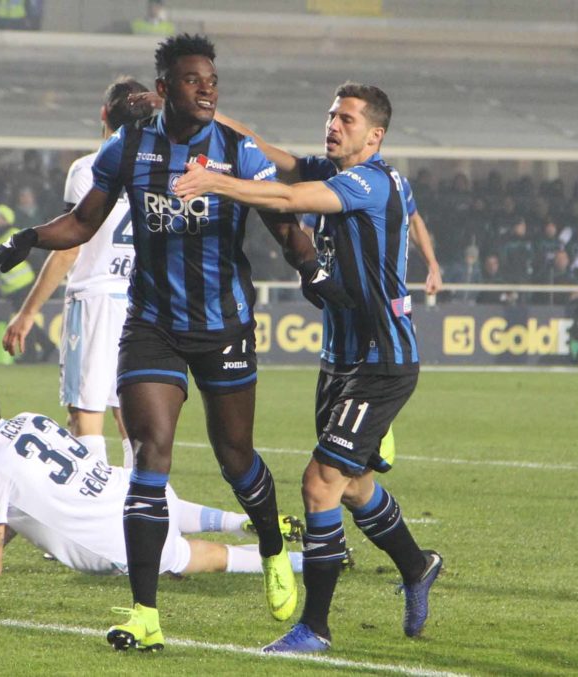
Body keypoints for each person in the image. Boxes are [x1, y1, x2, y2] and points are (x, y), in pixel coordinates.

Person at [0, 34, 352, 652]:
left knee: (236, 458)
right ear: (165, 88)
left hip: (224, 325)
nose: (208, 90)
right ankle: (145, 614)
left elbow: (285, 225)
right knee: (150, 457)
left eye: (212, 80)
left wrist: (312, 271)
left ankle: (272, 548)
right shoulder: (129, 146)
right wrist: (28, 238)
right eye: (194, 80)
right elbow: (83, 222)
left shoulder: (237, 150)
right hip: (151, 325)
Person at [175, 81, 444, 653]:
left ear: (375, 135)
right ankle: (417, 565)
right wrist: (205, 116)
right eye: (331, 115)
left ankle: (315, 628)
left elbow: (287, 198)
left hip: (381, 360)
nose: (333, 125)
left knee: (319, 483)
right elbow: (265, 151)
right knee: (353, 487)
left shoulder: (368, 183)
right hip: (340, 360)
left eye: (346, 119)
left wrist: (214, 181)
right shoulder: (337, 170)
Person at [0, 378, 306, 580]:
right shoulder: (30, 419)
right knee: (165, 510)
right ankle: (241, 521)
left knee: (210, 557)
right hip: (135, 489)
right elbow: (16, 517)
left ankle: (311, 562)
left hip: (116, 543)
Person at [2, 76, 153, 469]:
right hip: (141, 304)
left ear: (103, 114)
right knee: (130, 414)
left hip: (94, 298)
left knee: (85, 411)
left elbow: (70, 246)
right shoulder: (158, 172)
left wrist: (28, 312)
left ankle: (95, 499)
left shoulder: (89, 168)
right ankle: (145, 498)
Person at [0, 203, 55, 361]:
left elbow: (33, 256)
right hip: (14, 288)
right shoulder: (2, 238)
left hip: (23, 285)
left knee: (24, 318)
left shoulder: (13, 235)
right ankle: (46, 346)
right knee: (24, 318)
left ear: (6, 220)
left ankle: (30, 355)